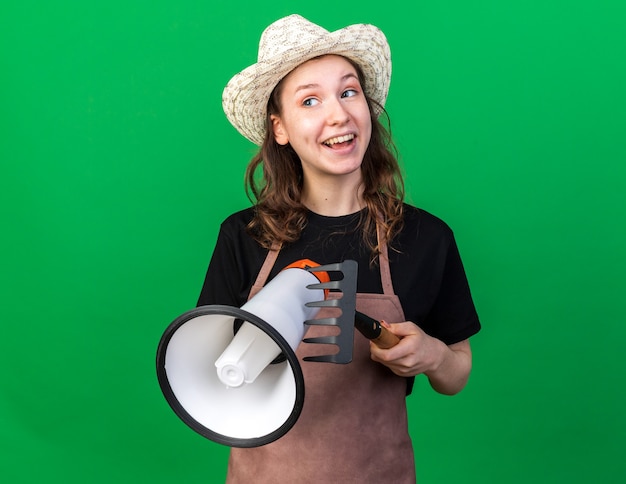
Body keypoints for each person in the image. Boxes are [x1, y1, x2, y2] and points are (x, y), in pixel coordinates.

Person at [197, 14, 481, 483]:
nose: (338, 115)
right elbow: (208, 374)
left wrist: (430, 354)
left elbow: (457, 373)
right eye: (310, 100)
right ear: (280, 128)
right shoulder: (243, 236)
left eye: (348, 92)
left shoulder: (427, 238)